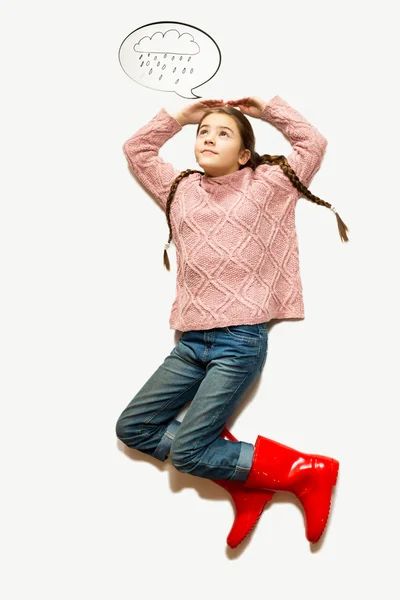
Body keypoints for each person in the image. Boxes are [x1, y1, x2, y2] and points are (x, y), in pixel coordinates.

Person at [115, 95, 348, 548]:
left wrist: (267, 110)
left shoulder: (267, 184)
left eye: (223, 133)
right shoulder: (179, 187)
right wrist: (180, 117)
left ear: (244, 153)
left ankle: (309, 471)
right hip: (190, 341)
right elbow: (137, 149)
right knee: (133, 428)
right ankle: (244, 480)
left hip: (238, 341)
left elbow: (312, 144)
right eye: (204, 132)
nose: (209, 138)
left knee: (187, 453)